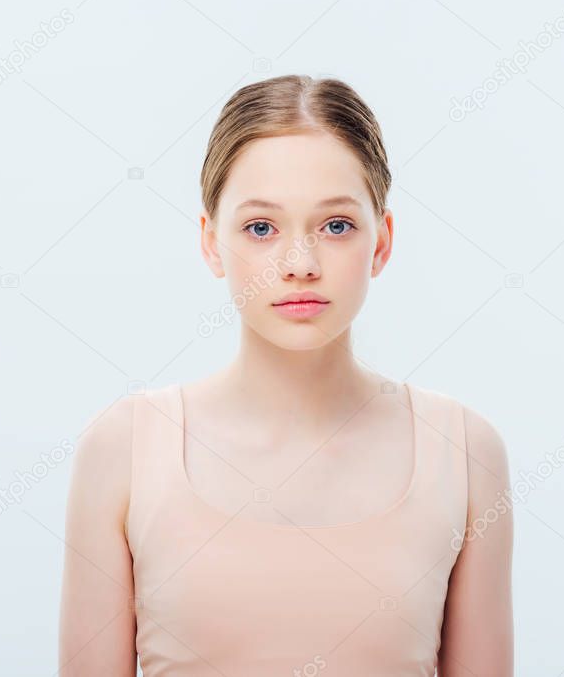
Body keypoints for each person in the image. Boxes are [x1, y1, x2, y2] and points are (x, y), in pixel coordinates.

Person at [59, 74, 513, 676]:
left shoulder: (464, 452)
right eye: (261, 229)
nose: (300, 265)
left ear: (382, 241)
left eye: (336, 226)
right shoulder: (123, 448)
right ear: (211, 243)